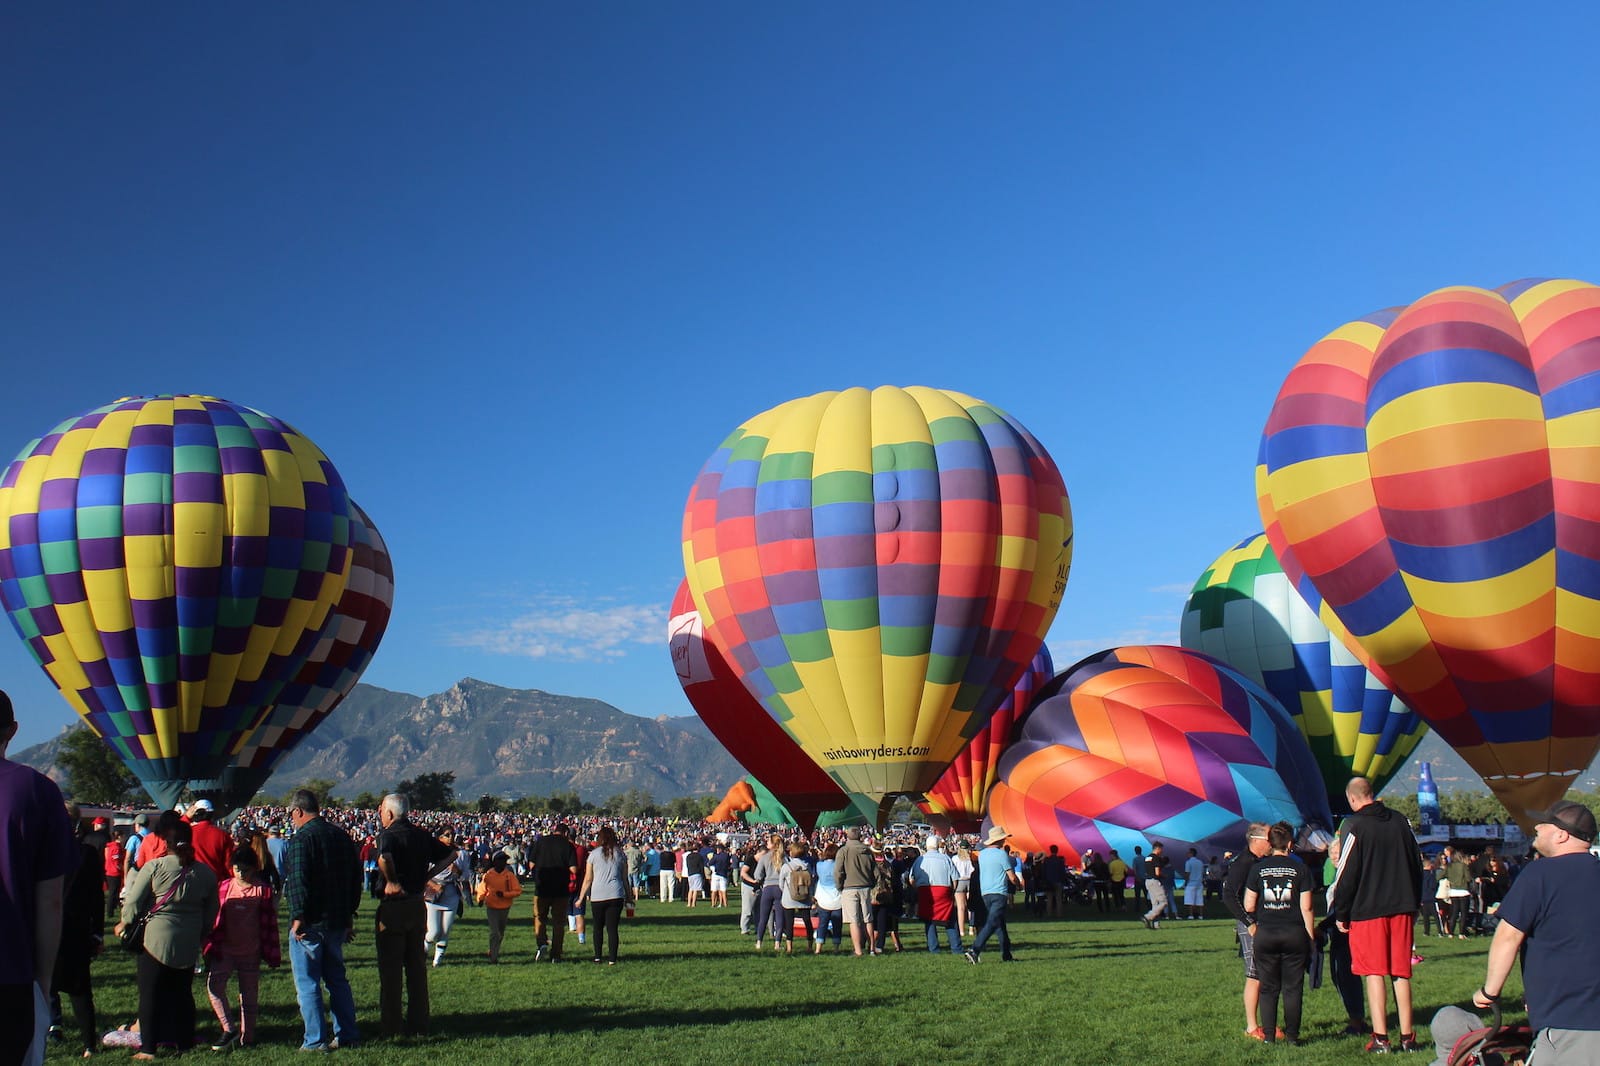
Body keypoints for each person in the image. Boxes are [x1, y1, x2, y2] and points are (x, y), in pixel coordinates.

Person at [1471, 800, 1600, 1064]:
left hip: (1569, 1018)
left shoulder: (1540, 873)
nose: (1537, 827)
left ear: (1562, 834)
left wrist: (1490, 992)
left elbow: (1508, 936)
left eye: (1544, 823)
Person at [0, 688, 76, 1066]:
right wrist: (44, 982)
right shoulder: (39, 792)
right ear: (12, 730)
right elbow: (51, 899)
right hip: (12, 972)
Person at [1329, 776, 1423, 1054]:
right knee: (1401, 972)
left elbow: (1346, 873)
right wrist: (1414, 903)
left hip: (1367, 909)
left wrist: (1340, 912)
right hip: (1402, 905)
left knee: (1373, 972)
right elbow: (1417, 863)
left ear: (1352, 799)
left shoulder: (1354, 825)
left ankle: (1381, 1038)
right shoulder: (1401, 821)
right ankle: (1408, 1037)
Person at [118, 817, 219, 1060]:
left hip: (156, 939)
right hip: (189, 939)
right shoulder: (205, 872)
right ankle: (184, 1042)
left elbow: (132, 901)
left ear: (165, 841)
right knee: (183, 994)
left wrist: (124, 922)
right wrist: (201, 932)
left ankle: (148, 1048)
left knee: (150, 994)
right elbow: (212, 910)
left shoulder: (155, 867)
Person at [283, 788, 362, 1052]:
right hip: (337, 920)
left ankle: (315, 1040)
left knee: (308, 984)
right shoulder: (341, 836)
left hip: (311, 922)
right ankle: (347, 1034)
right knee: (337, 980)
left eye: (291, 815)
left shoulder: (301, 840)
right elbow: (355, 880)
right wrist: (350, 913)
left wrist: (297, 916)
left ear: (298, 811)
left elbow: (298, 882)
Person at [375, 792, 453, 1039]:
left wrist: (392, 880)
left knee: (391, 969)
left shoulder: (388, 835)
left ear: (389, 813)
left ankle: (392, 1025)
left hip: (394, 905)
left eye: (381, 811)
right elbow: (451, 855)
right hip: (417, 904)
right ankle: (419, 1022)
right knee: (416, 966)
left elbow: (384, 857)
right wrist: (426, 877)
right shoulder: (421, 835)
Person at [1242, 822, 1315, 1045]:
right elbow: (1307, 907)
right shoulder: (1300, 869)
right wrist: (1310, 937)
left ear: (1270, 843)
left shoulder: (1257, 869)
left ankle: (1269, 1036)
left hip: (1266, 934)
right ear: (1290, 844)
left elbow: (1249, 904)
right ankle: (1293, 1036)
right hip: (1293, 932)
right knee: (1292, 988)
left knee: (1269, 988)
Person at [203, 845, 280, 1050]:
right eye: (237, 869)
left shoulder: (263, 891)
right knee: (214, 987)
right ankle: (229, 1028)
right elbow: (214, 919)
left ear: (254, 869)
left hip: (250, 951)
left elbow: (270, 922)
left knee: (249, 995)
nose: (241, 874)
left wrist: (270, 950)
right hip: (225, 949)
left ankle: (248, 1037)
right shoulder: (224, 887)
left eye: (245, 870)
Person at [51, 803, 104, 1060]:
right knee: (80, 989)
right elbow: (97, 897)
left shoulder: (41, 851)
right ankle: (89, 1044)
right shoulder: (88, 854)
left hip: (48, 927)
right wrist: (97, 932)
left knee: (44, 986)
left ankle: (50, 1028)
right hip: (77, 928)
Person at [1223, 822, 1272, 1038]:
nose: (1272, 843)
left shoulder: (1259, 862)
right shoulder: (1243, 863)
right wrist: (1248, 922)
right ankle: (1252, 1027)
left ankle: (1266, 1024)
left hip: (1262, 923)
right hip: (1250, 925)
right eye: (1269, 839)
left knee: (1265, 974)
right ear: (1257, 840)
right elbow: (1229, 895)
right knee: (1255, 974)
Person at [964, 825, 1022, 963]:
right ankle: (975, 950)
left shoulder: (982, 855)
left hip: (986, 893)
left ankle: (1007, 954)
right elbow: (1011, 876)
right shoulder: (1002, 855)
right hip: (999, 893)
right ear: (1000, 840)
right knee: (991, 923)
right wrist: (1018, 885)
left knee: (1000, 925)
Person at [577, 826, 631, 965]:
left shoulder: (593, 855)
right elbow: (625, 878)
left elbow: (588, 878)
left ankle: (597, 956)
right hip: (616, 893)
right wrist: (629, 897)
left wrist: (581, 897)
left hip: (598, 895)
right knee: (612, 929)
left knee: (597, 927)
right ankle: (612, 958)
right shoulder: (620, 853)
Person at [530, 824, 578, 963]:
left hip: (542, 887)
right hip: (560, 889)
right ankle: (556, 954)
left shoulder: (541, 841)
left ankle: (542, 942)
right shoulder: (568, 845)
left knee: (539, 917)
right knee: (558, 923)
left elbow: (531, 865)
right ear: (566, 833)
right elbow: (574, 869)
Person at [422, 829, 470, 967]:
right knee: (433, 931)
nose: (451, 838)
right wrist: (433, 884)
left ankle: (437, 960)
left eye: (452, 835)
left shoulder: (461, 854)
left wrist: (457, 871)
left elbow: (465, 876)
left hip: (451, 891)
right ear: (439, 837)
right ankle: (423, 950)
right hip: (433, 891)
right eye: (447, 835)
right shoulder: (430, 852)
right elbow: (422, 874)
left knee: (445, 930)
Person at [912, 835, 962, 954]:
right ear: (937, 845)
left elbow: (911, 879)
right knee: (950, 919)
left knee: (929, 920)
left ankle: (933, 948)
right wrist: (952, 891)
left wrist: (917, 889)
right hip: (943, 891)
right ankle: (956, 948)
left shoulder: (920, 860)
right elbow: (955, 878)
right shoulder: (945, 858)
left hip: (925, 892)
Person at [835, 827, 876, 957]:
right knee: (868, 919)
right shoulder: (867, 851)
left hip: (849, 887)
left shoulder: (844, 850)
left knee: (853, 920)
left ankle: (858, 950)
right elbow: (875, 872)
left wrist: (839, 886)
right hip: (865, 886)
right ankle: (872, 949)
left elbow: (838, 872)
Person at [478, 851, 522, 963]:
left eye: (504, 860)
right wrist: (480, 899)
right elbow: (482, 888)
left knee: (500, 933)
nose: (503, 862)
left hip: (504, 907)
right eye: (500, 860)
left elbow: (517, 891)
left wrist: (505, 895)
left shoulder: (509, 875)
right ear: (495, 861)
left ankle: (493, 949)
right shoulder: (488, 875)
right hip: (491, 907)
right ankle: (494, 957)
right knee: (495, 932)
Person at [778, 842, 815, 955]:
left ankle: (789, 947)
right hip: (804, 897)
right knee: (807, 921)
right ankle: (809, 945)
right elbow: (811, 882)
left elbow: (781, 884)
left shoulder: (786, 867)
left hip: (789, 898)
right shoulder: (807, 866)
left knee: (789, 923)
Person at [751, 833, 785, 952]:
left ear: (772, 844)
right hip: (780, 888)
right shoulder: (784, 857)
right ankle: (777, 943)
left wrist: (760, 881)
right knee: (780, 917)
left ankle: (759, 941)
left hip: (767, 888)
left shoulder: (765, 857)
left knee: (763, 917)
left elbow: (757, 875)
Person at [187, 800, 234, 882]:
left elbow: (173, 831)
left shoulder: (188, 832)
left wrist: (186, 817)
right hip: (216, 881)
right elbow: (228, 863)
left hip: (193, 881)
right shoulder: (223, 835)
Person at [812, 843, 844, 954]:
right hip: (837, 899)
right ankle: (836, 948)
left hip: (823, 899)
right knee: (837, 925)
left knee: (822, 924)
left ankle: (818, 948)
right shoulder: (840, 866)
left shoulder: (819, 865)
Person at [1142, 841, 1172, 929]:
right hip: (1155, 881)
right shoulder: (1156, 858)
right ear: (1158, 849)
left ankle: (1156, 925)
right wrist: (1164, 876)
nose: (1162, 851)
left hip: (1148, 881)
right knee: (1163, 902)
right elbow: (1157, 872)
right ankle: (1147, 917)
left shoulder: (1147, 858)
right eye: (1161, 849)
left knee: (1155, 904)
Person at [103, 826, 125, 921]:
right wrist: (122, 869)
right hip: (114, 872)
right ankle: (110, 911)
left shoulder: (110, 846)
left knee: (113, 892)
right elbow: (116, 861)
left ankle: (112, 908)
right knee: (113, 892)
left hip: (108, 871)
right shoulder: (116, 848)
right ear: (119, 837)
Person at [1183, 847, 1206, 919]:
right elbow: (1202, 872)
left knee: (1190, 900)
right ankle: (1201, 915)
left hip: (1191, 883)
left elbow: (1187, 873)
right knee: (1199, 900)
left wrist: (1186, 881)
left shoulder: (1188, 862)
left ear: (1191, 854)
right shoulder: (1200, 862)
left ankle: (1191, 915)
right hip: (1199, 882)